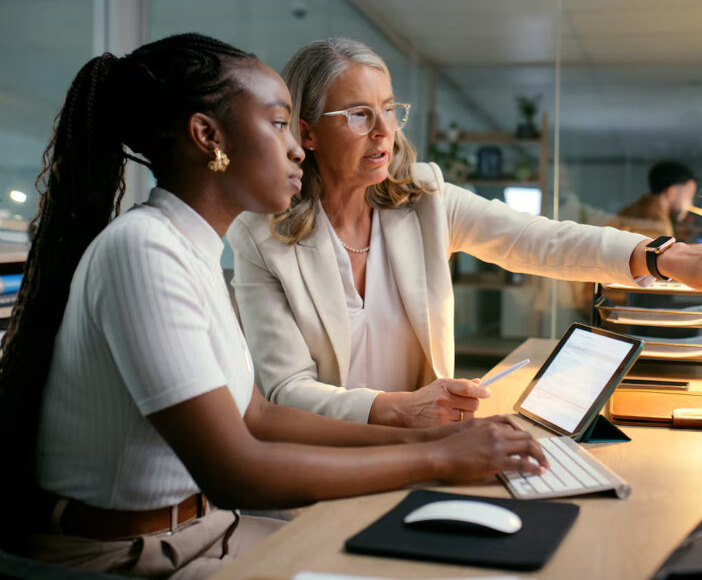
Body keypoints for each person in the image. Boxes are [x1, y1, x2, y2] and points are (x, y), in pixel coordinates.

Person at [0, 33, 547, 578]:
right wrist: (437, 459)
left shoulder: (191, 250)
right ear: (207, 136)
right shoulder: (142, 250)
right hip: (130, 557)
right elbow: (235, 471)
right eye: (279, 123)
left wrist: (430, 435)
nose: (298, 147)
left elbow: (257, 416)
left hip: (208, 531)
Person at [227, 38, 702, 428]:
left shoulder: (424, 200)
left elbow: (544, 240)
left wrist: (668, 258)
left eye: (390, 109)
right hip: (328, 463)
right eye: (356, 114)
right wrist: (401, 408)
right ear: (307, 132)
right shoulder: (261, 239)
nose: (383, 131)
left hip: (424, 449)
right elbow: (286, 392)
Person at [615, 160, 698, 238]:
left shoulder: (633, 210)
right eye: (689, 196)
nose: (691, 204)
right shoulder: (657, 224)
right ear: (672, 192)